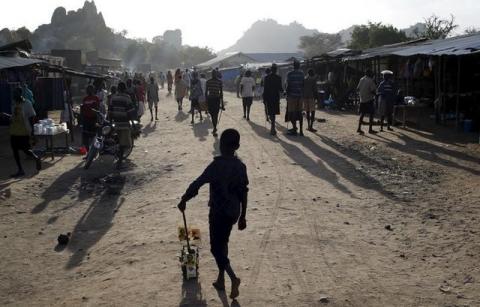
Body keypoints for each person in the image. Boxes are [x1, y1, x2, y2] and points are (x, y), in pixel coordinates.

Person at [178, 128, 248, 300]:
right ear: (237, 146)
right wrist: (243, 216)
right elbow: (244, 192)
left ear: (220, 146)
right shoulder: (240, 166)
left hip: (219, 212)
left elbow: (198, 182)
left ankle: (233, 278)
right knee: (223, 243)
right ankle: (220, 280)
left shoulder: (216, 166)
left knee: (216, 248)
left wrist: (184, 198)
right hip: (234, 212)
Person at [1, 88, 41, 177]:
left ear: (20, 94)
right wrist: (7, 116)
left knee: (26, 149)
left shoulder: (27, 103)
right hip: (14, 130)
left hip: (24, 131)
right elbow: (14, 117)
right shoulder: (14, 104)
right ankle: (20, 169)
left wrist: (32, 132)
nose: (14, 95)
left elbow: (32, 117)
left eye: (16, 94)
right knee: (15, 150)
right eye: (14, 94)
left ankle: (36, 158)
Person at [108, 82, 136, 168]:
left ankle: (119, 158)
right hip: (124, 123)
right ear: (124, 89)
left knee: (120, 141)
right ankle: (119, 162)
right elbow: (130, 112)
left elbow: (110, 111)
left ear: (118, 89)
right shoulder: (127, 98)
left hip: (116, 123)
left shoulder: (113, 98)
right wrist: (133, 123)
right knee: (123, 144)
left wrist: (110, 122)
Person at [263, 64, 283, 136]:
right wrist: (284, 92)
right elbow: (280, 89)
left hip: (268, 97)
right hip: (275, 97)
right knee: (273, 113)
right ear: (276, 70)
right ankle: (273, 127)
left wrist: (264, 98)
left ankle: (272, 127)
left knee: (271, 112)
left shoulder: (266, 77)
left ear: (271, 70)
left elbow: (265, 89)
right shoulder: (278, 78)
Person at [286, 60, 305, 136]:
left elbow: (288, 85)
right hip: (300, 96)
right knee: (299, 113)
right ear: (299, 66)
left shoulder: (290, 74)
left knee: (291, 113)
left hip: (292, 96)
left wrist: (287, 95)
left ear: (293, 66)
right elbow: (303, 84)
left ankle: (294, 129)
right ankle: (301, 131)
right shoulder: (302, 74)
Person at [356, 69, 377, 134]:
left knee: (362, 114)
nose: (372, 74)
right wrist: (376, 94)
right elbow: (373, 90)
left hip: (362, 99)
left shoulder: (361, 79)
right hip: (369, 99)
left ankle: (359, 128)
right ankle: (370, 129)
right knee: (371, 114)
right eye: (371, 73)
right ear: (369, 74)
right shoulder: (370, 81)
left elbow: (358, 89)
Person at [81, 85, 100, 151]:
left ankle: (93, 151)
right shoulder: (85, 99)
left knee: (93, 136)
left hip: (93, 119)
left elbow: (97, 109)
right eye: (87, 90)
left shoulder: (96, 98)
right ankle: (88, 152)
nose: (88, 91)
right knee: (85, 136)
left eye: (89, 89)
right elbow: (82, 109)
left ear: (92, 90)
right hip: (86, 119)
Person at [206, 70, 224, 137]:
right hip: (216, 99)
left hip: (212, 99)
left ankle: (214, 127)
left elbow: (206, 93)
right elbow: (221, 94)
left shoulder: (209, 81)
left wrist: (206, 101)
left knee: (213, 114)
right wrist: (222, 104)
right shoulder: (219, 82)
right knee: (214, 114)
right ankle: (214, 127)